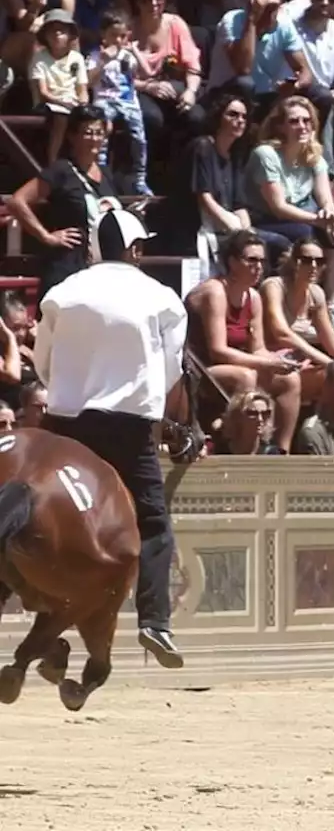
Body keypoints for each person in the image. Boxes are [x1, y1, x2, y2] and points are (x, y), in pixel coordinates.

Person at [33, 209, 187, 669]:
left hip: (66, 427)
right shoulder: (161, 297)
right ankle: (154, 622)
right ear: (136, 250)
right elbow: (172, 368)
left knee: (43, 524)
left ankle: (44, 617)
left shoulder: (62, 293)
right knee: (154, 525)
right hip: (128, 429)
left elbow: (43, 363)